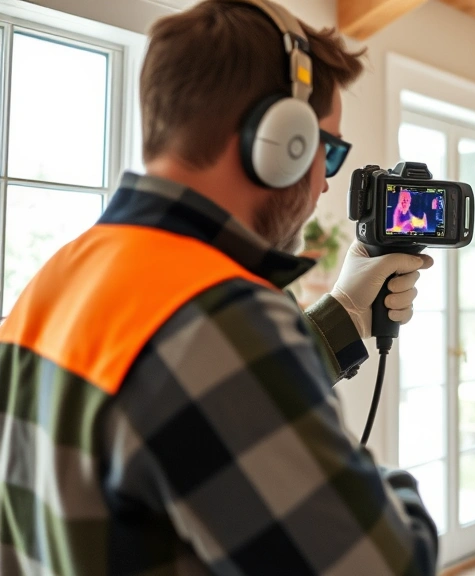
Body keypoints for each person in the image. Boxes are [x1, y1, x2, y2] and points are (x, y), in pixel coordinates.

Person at [0, 1, 438, 574]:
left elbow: (185, 414)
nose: (324, 183)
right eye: (325, 150)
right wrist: (369, 484)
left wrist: (349, 313)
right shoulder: (218, 316)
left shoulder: (61, 274)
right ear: (280, 142)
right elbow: (386, 565)